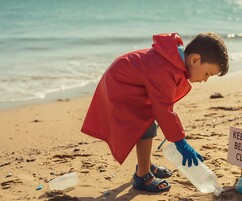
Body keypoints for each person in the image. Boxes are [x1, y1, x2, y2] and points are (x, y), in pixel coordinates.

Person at [81, 32, 229, 192]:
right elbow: (163, 110)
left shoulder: (173, 63)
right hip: (120, 86)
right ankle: (142, 176)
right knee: (145, 123)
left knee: (150, 120)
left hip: (129, 83)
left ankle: (145, 164)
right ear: (195, 59)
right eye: (207, 74)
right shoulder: (164, 69)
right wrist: (180, 142)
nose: (205, 80)